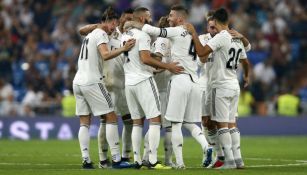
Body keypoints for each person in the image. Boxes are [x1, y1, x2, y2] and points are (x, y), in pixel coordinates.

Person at [125, 5, 209, 169]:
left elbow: (155, 39)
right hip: (194, 81)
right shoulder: (192, 33)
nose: (169, 18)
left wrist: (133, 24)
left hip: (172, 83)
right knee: (184, 123)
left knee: (164, 124)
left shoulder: (170, 34)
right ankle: (205, 147)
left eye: (171, 15)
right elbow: (203, 57)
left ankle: (162, 160)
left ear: (178, 19)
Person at [72, 7, 136, 169]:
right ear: (110, 21)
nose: (115, 27)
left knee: (84, 122)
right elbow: (105, 54)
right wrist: (124, 49)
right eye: (114, 23)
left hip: (78, 81)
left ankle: (86, 160)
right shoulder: (101, 34)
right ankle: (116, 159)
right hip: (92, 81)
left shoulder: (91, 34)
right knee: (111, 117)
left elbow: (83, 31)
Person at [121, 7, 183, 169]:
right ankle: (153, 160)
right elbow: (146, 58)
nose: (150, 19)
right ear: (142, 19)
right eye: (148, 17)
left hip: (129, 83)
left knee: (136, 123)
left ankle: (137, 160)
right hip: (143, 80)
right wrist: (167, 65)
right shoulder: (143, 35)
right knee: (155, 120)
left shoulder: (124, 36)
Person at [141, 16, 174, 167]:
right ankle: (165, 159)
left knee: (158, 125)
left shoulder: (162, 41)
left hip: (162, 88)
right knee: (166, 126)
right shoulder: (164, 40)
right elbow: (156, 66)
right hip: (162, 90)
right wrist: (169, 67)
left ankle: (145, 156)